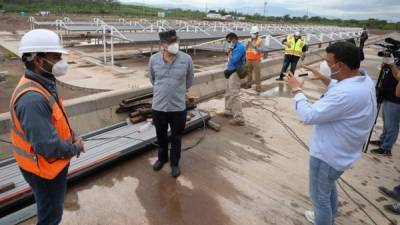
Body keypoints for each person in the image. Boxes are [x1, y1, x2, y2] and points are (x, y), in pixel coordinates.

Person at [286, 41, 377, 225]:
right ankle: (328, 217)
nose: (326, 65)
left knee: (319, 197)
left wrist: (296, 89)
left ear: (340, 65)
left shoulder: (346, 93)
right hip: (342, 153)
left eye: (328, 62)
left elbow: (309, 115)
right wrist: (321, 76)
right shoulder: (364, 80)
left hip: (327, 155)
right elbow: (339, 87)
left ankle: (323, 219)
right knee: (327, 188)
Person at [10, 29, 85, 225]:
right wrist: (75, 147)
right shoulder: (32, 99)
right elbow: (48, 146)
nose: (60, 61)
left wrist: (72, 135)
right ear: (37, 60)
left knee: (51, 211)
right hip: (45, 171)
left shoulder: (42, 83)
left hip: (49, 166)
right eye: (56, 56)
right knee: (50, 217)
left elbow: (57, 119)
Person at [149, 30, 194, 178]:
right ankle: (162, 159)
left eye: (176, 41)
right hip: (159, 107)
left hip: (177, 107)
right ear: (162, 45)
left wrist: (176, 91)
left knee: (176, 137)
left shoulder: (186, 59)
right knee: (160, 136)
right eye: (170, 42)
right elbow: (153, 80)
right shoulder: (153, 60)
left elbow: (189, 81)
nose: (175, 45)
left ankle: (175, 163)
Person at [369, 57, 400, 156]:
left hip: (396, 99)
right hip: (388, 95)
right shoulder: (397, 58)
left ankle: (386, 148)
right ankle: (383, 140)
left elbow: (398, 77)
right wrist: (386, 65)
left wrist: (392, 65)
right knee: (387, 122)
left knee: (392, 125)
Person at [221, 32, 246, 126]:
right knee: (227, 91)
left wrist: (229, 53)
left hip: (235, 72)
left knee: (234, 94)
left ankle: (239, 118)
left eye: (230, 41)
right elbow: (230, 60)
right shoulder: (234, 47)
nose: (229, 43)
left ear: (234, 39)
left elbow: (234, 60)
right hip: (230, 71)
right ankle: (228, 110)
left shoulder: (240, 47)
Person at [245, 26, 264, 93]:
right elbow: (246, 49)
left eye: (254, 33)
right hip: (248, 59)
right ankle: (248, 84)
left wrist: (255, 47)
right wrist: (246, 45)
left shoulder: (260, 40)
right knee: (249, 73)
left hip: (256, 60)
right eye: (252, 33)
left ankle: (258, 87)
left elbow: (262, 49)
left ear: (257, 33)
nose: (253, 34)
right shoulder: (248, 40)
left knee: (257, 74)